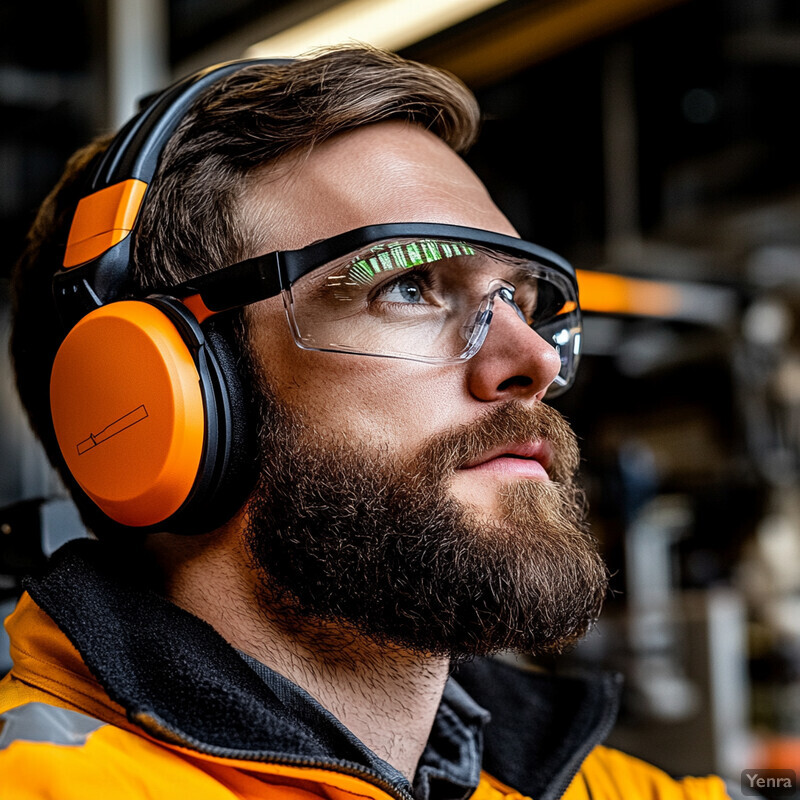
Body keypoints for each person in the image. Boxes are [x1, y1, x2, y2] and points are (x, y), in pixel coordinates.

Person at [0, 47, 729, 799]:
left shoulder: (556, 777)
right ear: (152, 394)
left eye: (523, 299)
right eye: (408, 285)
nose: (534, 359)